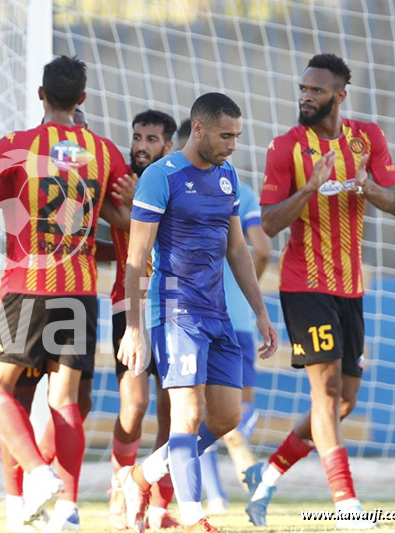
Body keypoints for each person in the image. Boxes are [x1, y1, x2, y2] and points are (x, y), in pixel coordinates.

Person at [0, 55, 132, 531]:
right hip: (79, 291)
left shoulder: (18, 145)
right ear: (83, 99)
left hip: (26, 289)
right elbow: (125, 220)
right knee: (64, 401)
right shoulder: (104, 151)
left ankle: (39, 473)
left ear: (40, 95)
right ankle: (65, 509)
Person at [245, 53, 395, 529]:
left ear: (339, 94)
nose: (305, 97)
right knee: (327, 387)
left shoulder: (368, 137)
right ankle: (347, 507)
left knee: (342, 402)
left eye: (316, 91)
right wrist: (310, 188)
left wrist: (365, 187)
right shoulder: (285, 147)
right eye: (303, 89)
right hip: (304, 285)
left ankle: (267, 473)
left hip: (352, 288)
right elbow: (268, 224)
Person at [116, 92, 277, 533]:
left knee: (225, 417)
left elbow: (237, 249)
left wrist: (260, 311)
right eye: (226, 135)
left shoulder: (227, 178)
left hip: (219, 314)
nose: (232, 145)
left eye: (237, 136)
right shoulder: (159, 177)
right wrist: (133, 327)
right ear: (200, 129)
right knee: (186, 414)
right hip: (174, 312)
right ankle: (193, 516)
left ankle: (140, 477)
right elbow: (136, 256)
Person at [108, 110, 181, 532]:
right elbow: (109, 217)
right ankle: (120, 497)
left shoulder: (177, 179)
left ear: (168, 145)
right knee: (133, 407)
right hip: (129, 306)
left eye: (151, 139)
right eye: (137, 136)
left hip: (174, 307)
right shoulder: (120, 181)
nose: (141, 145)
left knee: (173, 412)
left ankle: (156, 507)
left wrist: (140, 203)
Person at [198, 178, 271, 514]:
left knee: (200, 412)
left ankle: (215, 498)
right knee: (243, 403)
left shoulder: (174, 181)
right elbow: (264, 248)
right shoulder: (242, 190)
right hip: (239, 317)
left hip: (198, 312)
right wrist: (246, 286)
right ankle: (238, 435)